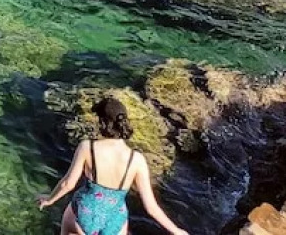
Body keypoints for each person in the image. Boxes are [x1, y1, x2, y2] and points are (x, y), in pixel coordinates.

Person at [38, 96, 189, 235]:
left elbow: (67, 184)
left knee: (68, 217)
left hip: (85, 214)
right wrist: (176, 230)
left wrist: (49, 200)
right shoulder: (136, 159)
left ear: (102, 123)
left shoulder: (88, 147)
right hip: (115, 220)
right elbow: (151, 208)